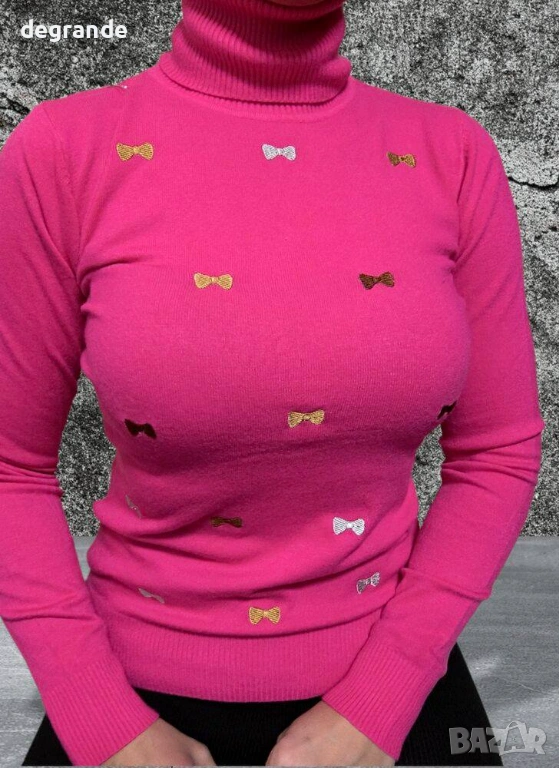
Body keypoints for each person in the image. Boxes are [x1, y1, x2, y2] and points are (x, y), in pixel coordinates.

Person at [0, 0, 545, 765]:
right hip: (128, 696)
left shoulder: (448, 153)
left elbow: (496, 452)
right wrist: (98, 717)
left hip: (394, 681)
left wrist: (381, 699)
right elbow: (9, 465)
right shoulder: (65, 149)